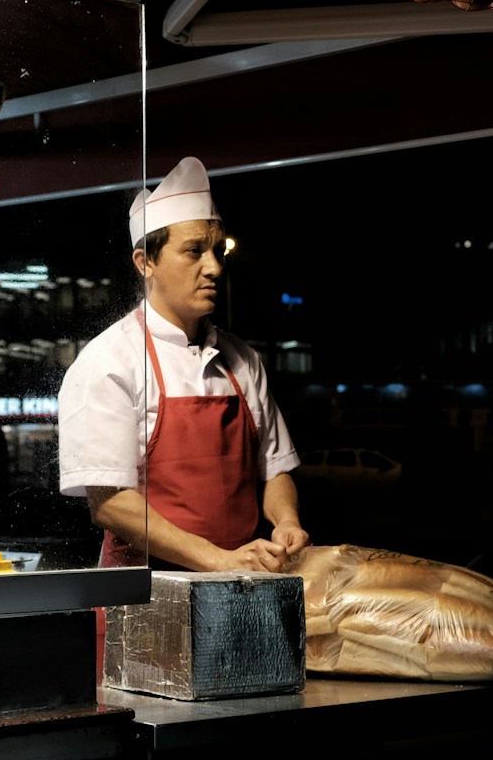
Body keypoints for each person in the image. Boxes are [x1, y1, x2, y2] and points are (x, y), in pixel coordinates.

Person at [58, 157, 309, 573]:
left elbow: (275, 466)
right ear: (145, 263)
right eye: (194, 251)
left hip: (239, 585)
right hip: (144, 596)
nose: (213, 267)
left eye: (217, 250)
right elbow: (110, 504)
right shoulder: (109, 362)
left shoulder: (242, 359)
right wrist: (219, 559)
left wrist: (286, 521)